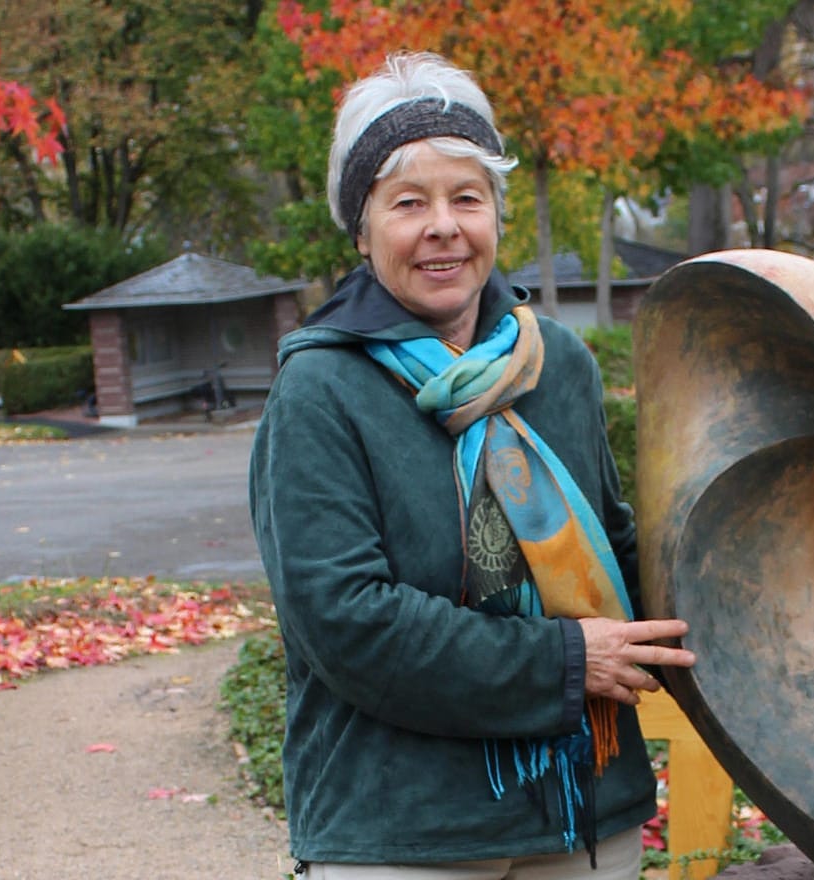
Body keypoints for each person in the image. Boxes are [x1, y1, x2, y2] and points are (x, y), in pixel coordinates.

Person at [249, 50, 696, 880]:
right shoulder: (320, 389)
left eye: (468, 198)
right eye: (408, 203)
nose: (443, 226)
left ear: (497, 216)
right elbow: (347, 622)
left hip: (582, 806)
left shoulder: (557, 364)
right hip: (404, 826)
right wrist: (566, 663)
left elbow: (619, 550)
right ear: (362, 226)